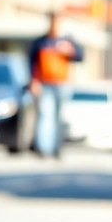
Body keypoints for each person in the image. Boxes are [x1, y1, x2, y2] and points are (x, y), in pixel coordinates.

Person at [26, 12, 80, 160]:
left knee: (59, 117)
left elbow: (80, 56)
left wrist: (70, 50)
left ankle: (57, 148)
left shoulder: (67, 41)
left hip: (62, 84)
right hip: (45, 83)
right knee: (45, 115)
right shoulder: (41, 42)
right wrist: (33, 80)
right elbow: (31, 63)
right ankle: (43, 148)